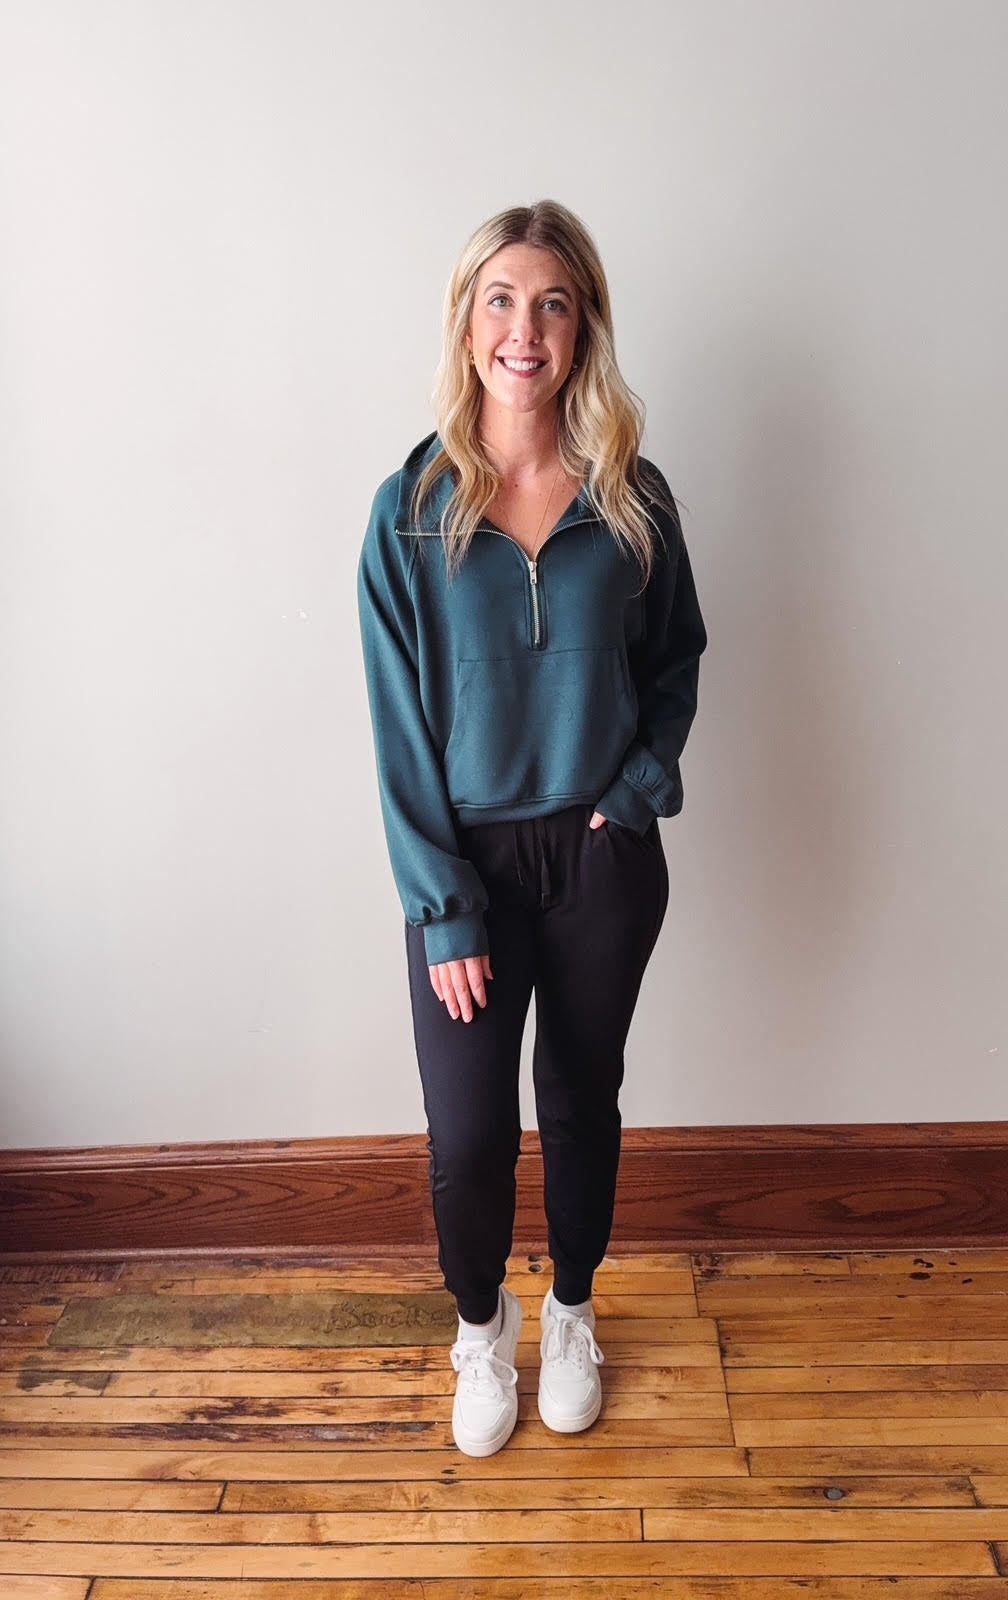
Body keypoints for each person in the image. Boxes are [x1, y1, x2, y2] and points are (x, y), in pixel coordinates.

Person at [357, 200, 707, 1458]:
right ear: (466, 324)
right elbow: (399, 733)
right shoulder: (411, 510)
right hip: (467, 872)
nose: (525, 327)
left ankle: (569, 1312)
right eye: (501, 299)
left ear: (583, 327)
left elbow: (677, 662)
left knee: (580, 1101)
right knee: (466, 1137)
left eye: (553, 301)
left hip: (602, 857)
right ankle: (479, 1325)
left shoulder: (631, 497)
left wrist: (633, 795)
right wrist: (444, 903)